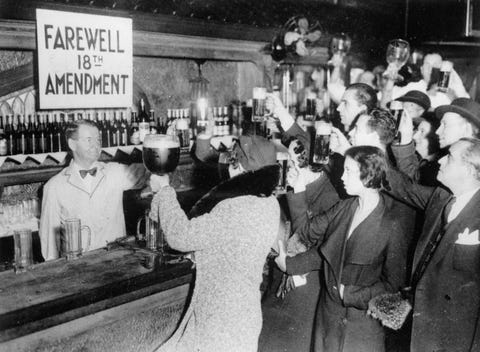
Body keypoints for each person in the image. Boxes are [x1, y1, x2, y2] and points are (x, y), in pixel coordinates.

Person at [149, 134, 281, 352]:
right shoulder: (269, 203)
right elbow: (230, 243)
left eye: (231, 160)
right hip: (242, 315)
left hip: (220, 319)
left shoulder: (234, 208)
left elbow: (181, 237)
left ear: (238, 166)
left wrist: (164, 191)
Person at [275, 146, 408, 352]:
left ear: (368, 176)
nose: (342, 176)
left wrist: (350, 295)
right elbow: (308, 233)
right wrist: (298, 187)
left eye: (349, 171)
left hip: (361, 326)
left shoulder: (392, 225)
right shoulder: (345, 207)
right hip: (328, 317)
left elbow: (394, 286)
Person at [386, 138, 480, 352]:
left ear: (468, 169)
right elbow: (405, 188)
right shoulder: (441, 197)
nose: (440, 161)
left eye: (450, 157)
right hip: (420, 329)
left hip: (454, 339)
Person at [39, 119, 148, 261]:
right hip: (79, 270)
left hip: (117, 262)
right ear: (72, 144)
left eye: (98, 140)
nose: (96, 145)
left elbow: (150, 171)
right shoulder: (54, 187)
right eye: (89, 140)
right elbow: (49, 245)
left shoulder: (115, 172)